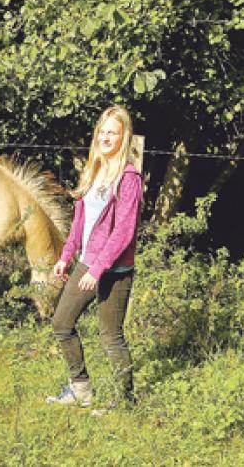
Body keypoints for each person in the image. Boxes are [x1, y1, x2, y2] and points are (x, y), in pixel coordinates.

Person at [47, 105, 143, 410]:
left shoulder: (128, 178)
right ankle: (81, 389)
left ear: (124, 136)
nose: (105, 137)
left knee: (110, 336)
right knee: (62, 323)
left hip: (115, 269)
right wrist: (66, 255)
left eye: (112, 132)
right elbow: (79, 222)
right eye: (102, 131)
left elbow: (124, 232)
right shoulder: (94, 171)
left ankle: (124, 401)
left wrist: (98, 269)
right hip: (88, 262)